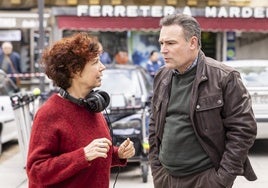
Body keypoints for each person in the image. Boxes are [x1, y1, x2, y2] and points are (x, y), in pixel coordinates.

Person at [148, 14, 257, 188]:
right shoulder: (162, 75)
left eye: (170, 43)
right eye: (162, 43)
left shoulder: (224, 77)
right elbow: (154, 123)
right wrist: (156, 169)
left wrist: (221, 180)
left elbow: (243, 131)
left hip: (205, 180)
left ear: (192, 43)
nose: (163, 50)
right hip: (166, 178)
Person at [26, 32, 135, 188]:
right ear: (75, 70)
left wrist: (117, 154)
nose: (102, 67)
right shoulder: (49, 113)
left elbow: (95, 155)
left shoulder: (92, 107)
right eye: (96, 62)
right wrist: (82, 156)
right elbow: (36, 172)